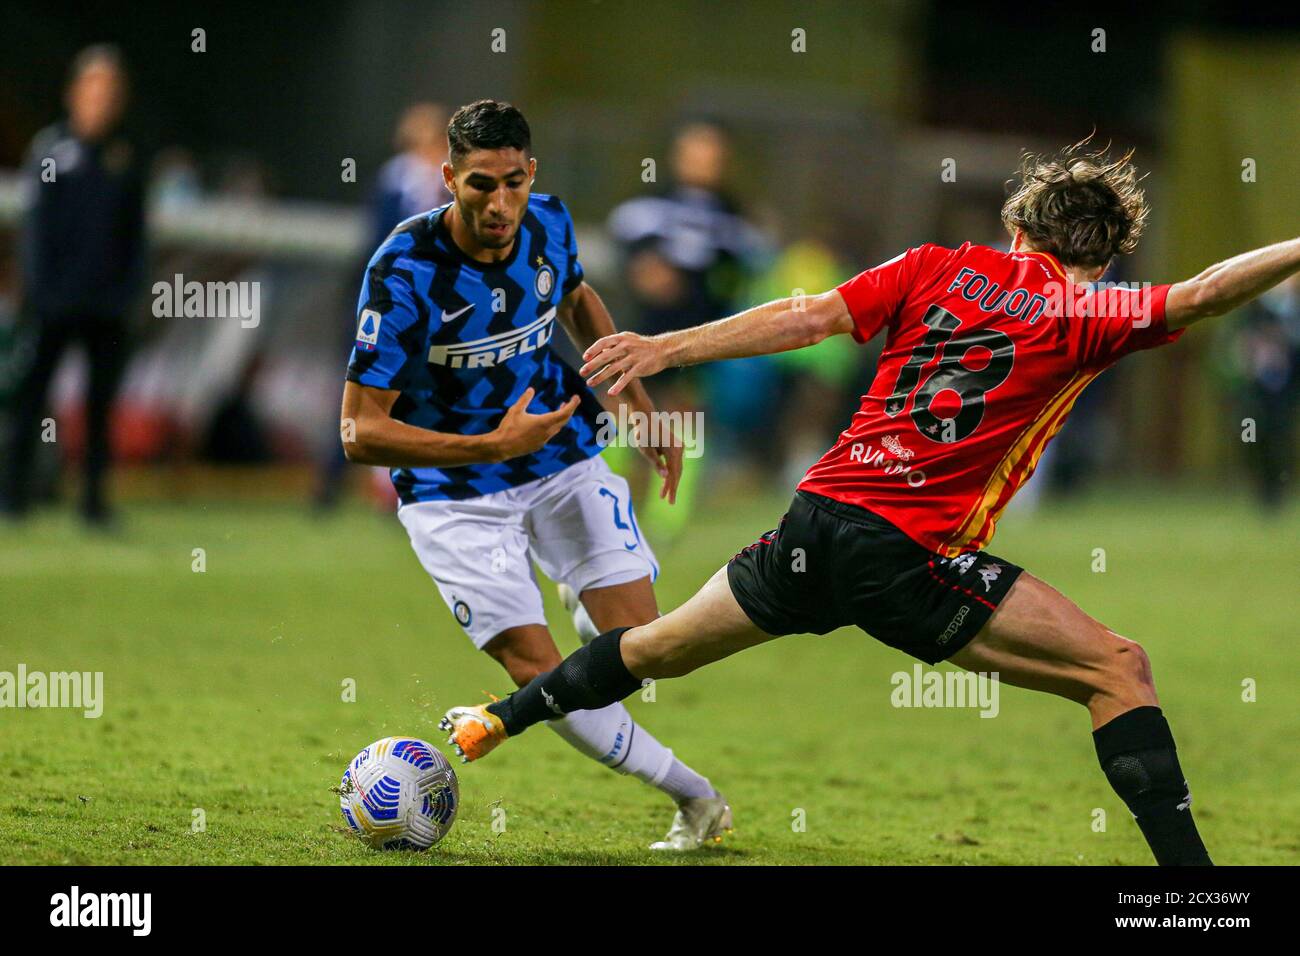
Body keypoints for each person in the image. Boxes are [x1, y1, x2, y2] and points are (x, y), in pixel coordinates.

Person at [444, 140, 1300, 865]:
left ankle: (494, 722)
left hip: (814, 525)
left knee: (658, 650)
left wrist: (665, 346)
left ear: (1016, 230)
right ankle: (1199, 893)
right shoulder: (1088, 311)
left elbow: (808, 317)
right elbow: (1205, 292)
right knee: (1118, 670)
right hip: (911, 556)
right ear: (1103, 260)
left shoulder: (936, 266)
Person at [341, 100, 730, 849]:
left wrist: (638, 407)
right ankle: (696, 798)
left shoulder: (549, 221)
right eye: (481, 184)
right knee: (540, 672)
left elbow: (578, 297)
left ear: (532, 174)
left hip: (557, 454)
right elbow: (359, 432)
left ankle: (590, 608)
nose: (500, 203)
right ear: (448, 177)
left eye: (514, 182)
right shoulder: (403, 270)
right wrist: (489, 446)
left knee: (643, 644)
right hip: (454, 495)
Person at [1, 45, 145, 525]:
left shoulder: (126, 156)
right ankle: (13, 494)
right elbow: (36, 231)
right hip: (53, 302)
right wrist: (40, 293)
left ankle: (94, 503)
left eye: (111, 92)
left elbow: (134, 235)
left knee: (101, 406)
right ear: (74, 94)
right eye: (94, 89)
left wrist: (128, 294)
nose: (102, 100)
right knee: (32, 395)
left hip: (106, 305)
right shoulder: (51, 151)